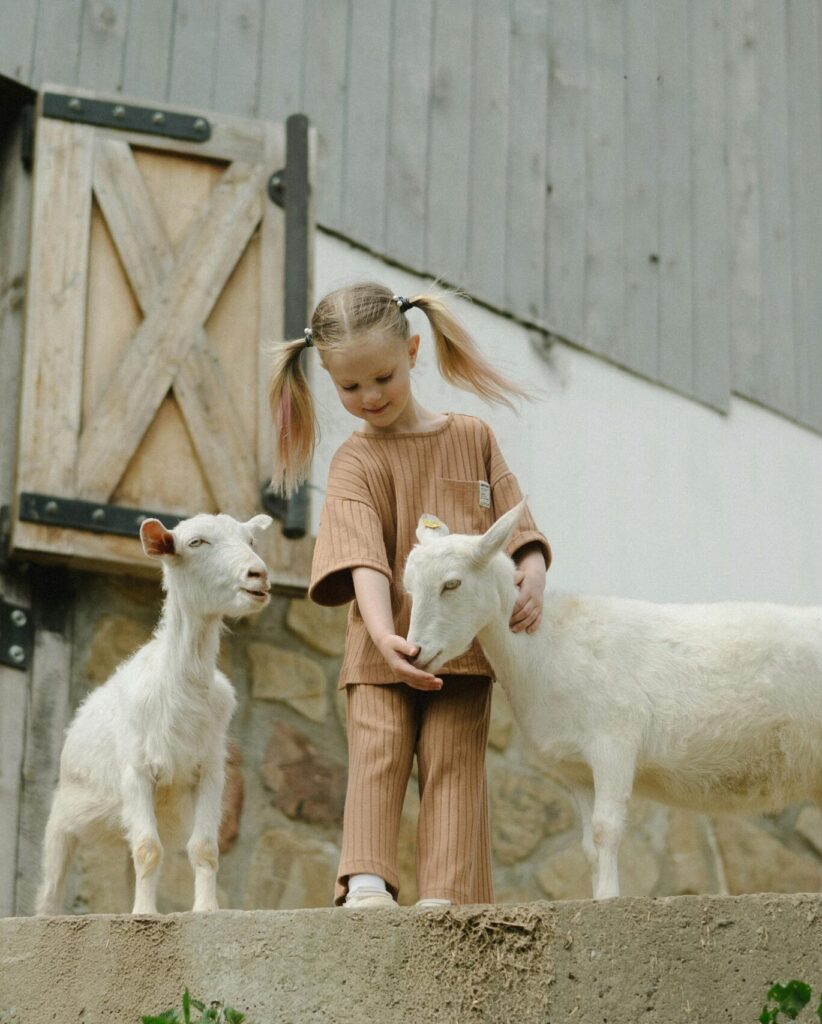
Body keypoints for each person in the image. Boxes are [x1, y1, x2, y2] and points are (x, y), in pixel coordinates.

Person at [268, 281, 550, 908]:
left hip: (462, 650)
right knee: (379, 749)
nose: (368, 397)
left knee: (455, 762)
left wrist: (531, 568)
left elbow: (515, 516)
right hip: (381, 649)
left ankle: (446, 897)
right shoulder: (353, 461)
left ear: (414, 351)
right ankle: (367, 882)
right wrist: (381, 635)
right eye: (349, 387)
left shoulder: (472, 437)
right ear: (330, 381)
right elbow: (361, 555)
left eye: (382, 378)